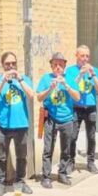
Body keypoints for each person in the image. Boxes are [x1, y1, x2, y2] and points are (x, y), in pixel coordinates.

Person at [0, 51, 33, 196]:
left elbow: (31, 95)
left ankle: (20, 181)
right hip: (3, 125)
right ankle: (1, 184)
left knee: (21, 156)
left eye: (13, 63)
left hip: (21, 124)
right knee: (2, 156)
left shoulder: (24, 79)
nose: (11, 66)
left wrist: (19, 79)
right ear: (3, 65)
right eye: (7, 64)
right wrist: (3, 81)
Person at [36, 52, 81, 188]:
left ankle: (62, 173)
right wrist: (50, 88)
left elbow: (77, 97)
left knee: (66, 149)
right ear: (51, 66)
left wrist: (66, 85)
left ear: (64, 66)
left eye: (60, 65)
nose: (57, 67)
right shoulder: (45, 79)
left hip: (67, 119)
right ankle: (46, 176)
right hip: (51, 119)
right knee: (48, 148)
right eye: (55, 64)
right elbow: (39, 97)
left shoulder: (70, 78)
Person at [65, 45, 98, 173]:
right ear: (76, 56)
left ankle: (91, 162)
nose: (85, 59)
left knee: (91, 136)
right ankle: (71, 161)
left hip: (90, 107)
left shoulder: (94, 70)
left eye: (87, 56)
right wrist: (81, 74)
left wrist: (93, 74)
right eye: (82, 56)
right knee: (73, 136)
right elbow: (70, 86)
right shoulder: (70, 71)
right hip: (76, 107)